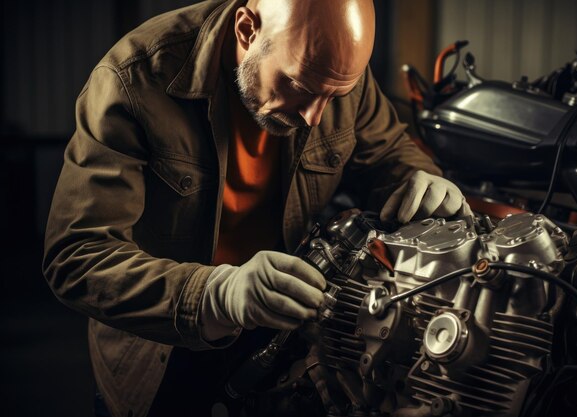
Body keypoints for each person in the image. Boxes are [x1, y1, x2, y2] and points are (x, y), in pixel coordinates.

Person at [43, 0, 470, 416]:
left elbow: (390, 154)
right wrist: (216, 295)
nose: (314, 118)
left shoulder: (329, 70)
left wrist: (423, 179)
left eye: (334, 95)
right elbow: (76, 256)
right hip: (166, 349)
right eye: (299, 88)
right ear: (247, 30)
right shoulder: (133, 79)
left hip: (287, 337)